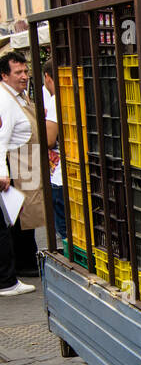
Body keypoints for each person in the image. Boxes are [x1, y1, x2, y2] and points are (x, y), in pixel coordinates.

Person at [0, 50, 44, 277]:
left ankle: (27, 258)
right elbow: (1, 138)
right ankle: (24, 262)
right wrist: (3, 172)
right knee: (20, 216)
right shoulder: (4, 99)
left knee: (29, 214)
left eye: (25, 71)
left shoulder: (19, 95)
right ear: (4, 76)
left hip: (27, 158)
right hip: (17, 160)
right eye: (18, 72)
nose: (24, 76)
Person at [41, 60, 65, 242]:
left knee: (64, 231)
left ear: (47, 76)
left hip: (60, 175)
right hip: (76, 172)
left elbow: (49, 140)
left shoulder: (57, 99)